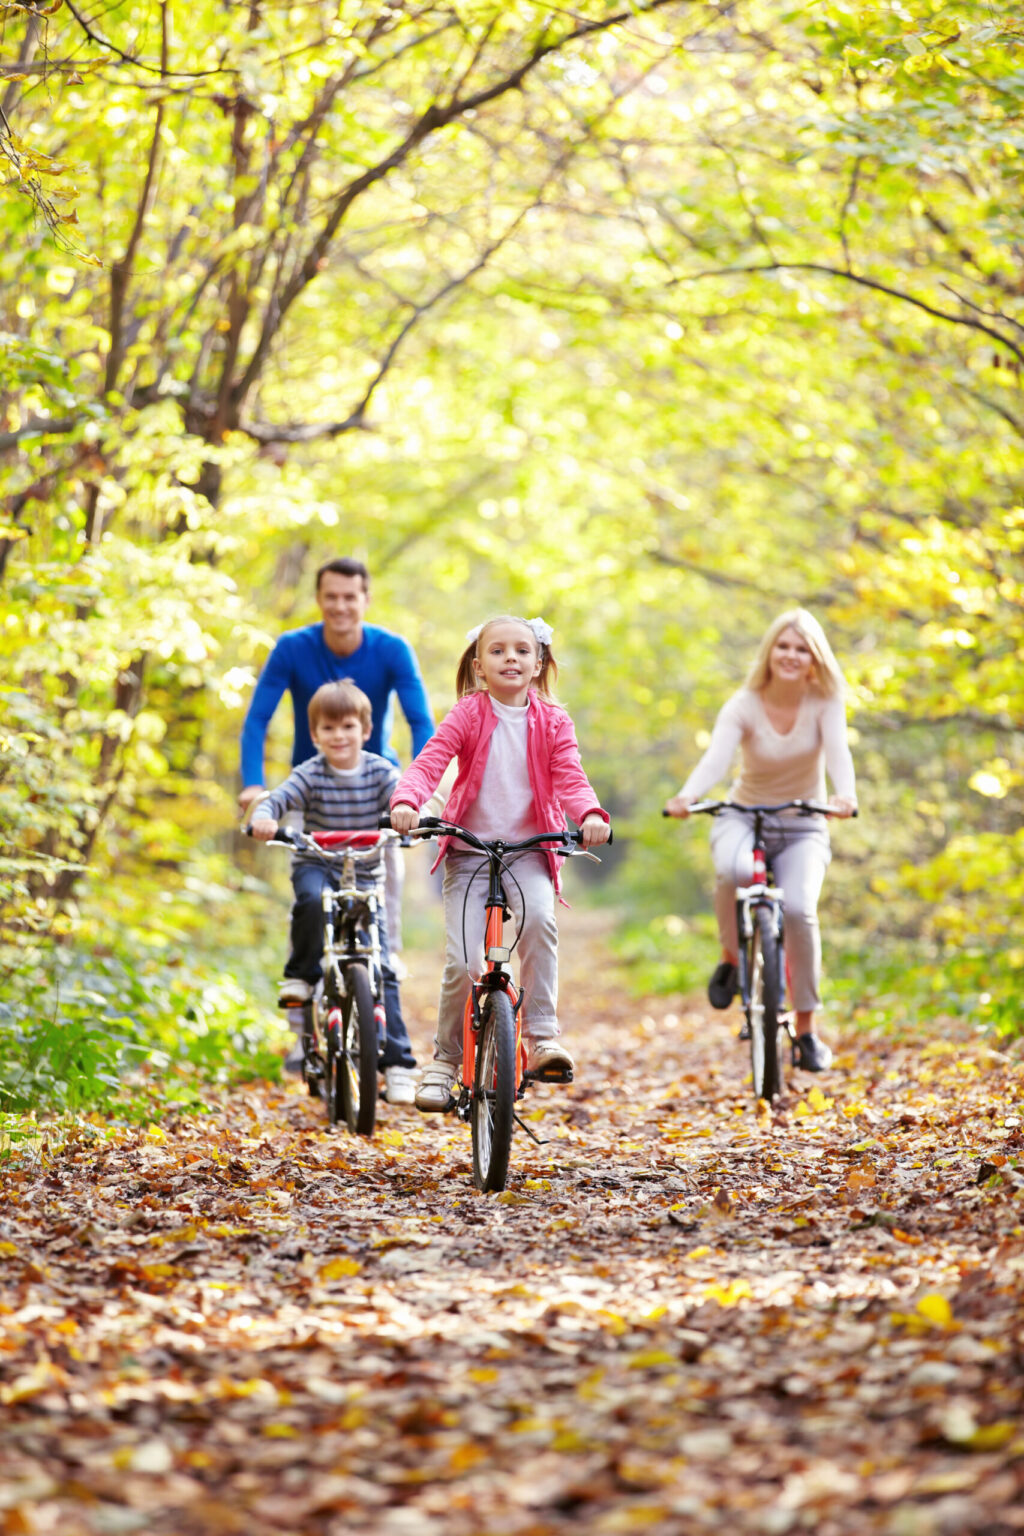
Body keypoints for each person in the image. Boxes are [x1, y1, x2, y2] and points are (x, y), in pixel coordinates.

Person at [388, 616, 611, 1113]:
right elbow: (432, 760)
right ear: (478, 666)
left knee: (538, 922)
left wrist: (590, 814)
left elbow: (570, 776)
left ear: (538, 665)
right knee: (463, 964)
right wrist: (408, 800)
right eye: (497, 651)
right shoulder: (468, 713)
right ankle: (444, 1062)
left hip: (529, 851)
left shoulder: (554, 722)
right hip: (468, 853)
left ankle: (542, 1038)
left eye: (521, 651)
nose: (510, 658)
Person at [664, 609, 857, 1072]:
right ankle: (731, 958)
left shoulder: (826, 700)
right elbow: (717, 758)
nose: (791, 655)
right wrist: (690, 795)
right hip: (742, 816)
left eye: (801, 648)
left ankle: (807, 1031)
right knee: (731, 871)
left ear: (814, 658)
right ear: (770, 652)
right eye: (783, 646)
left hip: (804, 823)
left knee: (798, 910)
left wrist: (845, 795)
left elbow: (838, 753)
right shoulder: (745, 702)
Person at [238, 556, 435, 953]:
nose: (340, 606)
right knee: (308, 896)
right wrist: (253, 785)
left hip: (379, 787)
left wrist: (418, 789)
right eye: (331, 597)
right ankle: (305, 985)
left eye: (350, 597)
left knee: (385, 885)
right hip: (311, 786)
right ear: (318, 599)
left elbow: (421, 723)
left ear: (366, 599)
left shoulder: (393, 649)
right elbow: (257, 719)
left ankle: (386, 968)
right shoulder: (293, 648)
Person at [248, 680, 418, 1106]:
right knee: (308, 901)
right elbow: (278, 800)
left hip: (364, 871)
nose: (338, 735)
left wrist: (412, 817)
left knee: (382, 965)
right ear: (315, 734)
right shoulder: (311, 773)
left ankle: (398, 1062)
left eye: (347, 726)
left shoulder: (380, 771)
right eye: (328, 728)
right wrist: (265, 817)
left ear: (365, 729)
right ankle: (301, 977)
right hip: (318, 864)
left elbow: (408, 800)